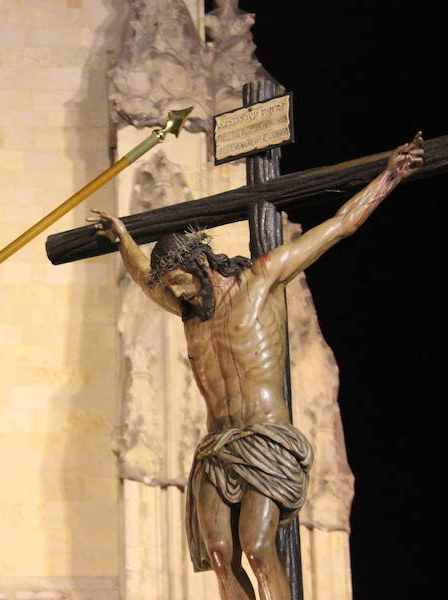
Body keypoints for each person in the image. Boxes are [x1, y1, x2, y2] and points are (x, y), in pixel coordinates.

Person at [88, 132, 423, 600]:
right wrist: (123, 238)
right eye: (173, 288)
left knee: (258, 545)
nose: (180, 294)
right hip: (216, 447)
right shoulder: (188, 313)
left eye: (183, 282)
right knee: (219, 553)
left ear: (202, 263)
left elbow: (340, 225)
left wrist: (389, 176)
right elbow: (146, 279)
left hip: (267, 437)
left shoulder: (260, 280)